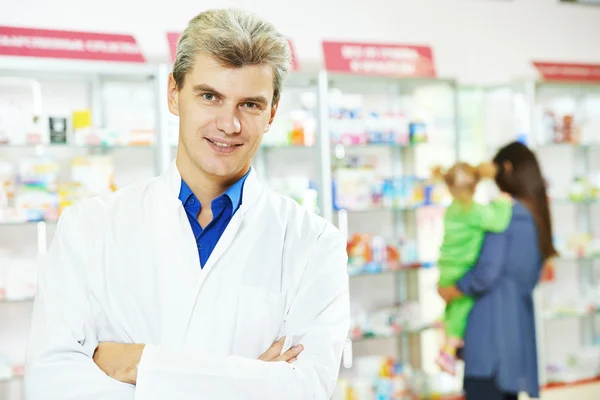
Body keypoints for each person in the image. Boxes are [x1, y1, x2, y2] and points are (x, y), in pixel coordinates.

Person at [24, 8, 350, 400]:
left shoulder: (314, 244)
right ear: (174, 94)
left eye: (250, 104)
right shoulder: (90, 227)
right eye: (210, 96)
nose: (228, 125)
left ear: (272, 113)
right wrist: (248, 381)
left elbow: (304, 389)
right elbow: (52, 385)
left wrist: (139, 364)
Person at [438, 142, 557, 400]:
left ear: (507, 168)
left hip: (488, 338)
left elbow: (486, 272)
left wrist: (451, 290)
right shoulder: (536, 216)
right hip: (516, 338)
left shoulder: (505, 214)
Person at [432, 162, 513, 376]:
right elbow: (498, 222)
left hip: (446, 268)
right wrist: (503, 202)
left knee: (452, 308)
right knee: (462, 307)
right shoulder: (475, 212)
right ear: (476, 185)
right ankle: (449, 348)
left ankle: (445, 338)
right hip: (461, 270)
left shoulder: (452, 210)